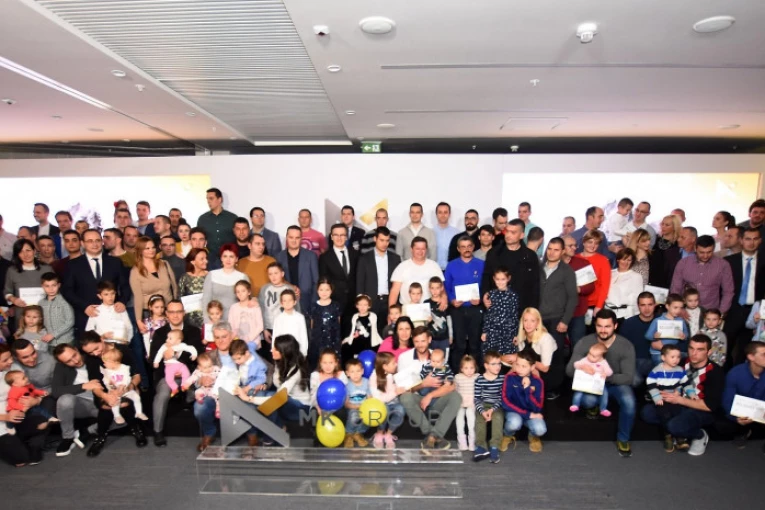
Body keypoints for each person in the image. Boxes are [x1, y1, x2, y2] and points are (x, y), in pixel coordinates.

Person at [565, 309, 636, 457]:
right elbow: (569, 371)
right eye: (599, 326)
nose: (603, 330)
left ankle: (623, 438)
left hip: (614, 382)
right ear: (595, 325)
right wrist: (582, 367)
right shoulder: (585, 342)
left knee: (629, 401)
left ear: (615, 326)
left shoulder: (626, 345)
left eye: (607, 326)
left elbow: (628, 377)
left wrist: (606, 377)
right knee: (588, 401)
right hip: (591, 383)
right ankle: (595, 406)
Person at [640, 334, 724, 456]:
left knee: (675, 426)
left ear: (709, 352)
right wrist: (657, 394)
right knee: (647, 413)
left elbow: (710, 406)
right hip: (676, 403)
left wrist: (679, 400)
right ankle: (678, 431)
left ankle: (699, 435)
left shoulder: (715, 372)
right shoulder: (681, 362)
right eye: (691, 348)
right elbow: (656, 381)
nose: (694, 353)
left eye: (700, 350)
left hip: (699, 409)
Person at [79, 332, 146, 457]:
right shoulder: (91, 359)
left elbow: (136, 375)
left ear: (101, 339)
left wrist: (129, 387)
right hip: (104, 390)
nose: (95, 354)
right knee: (107, 405)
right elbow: (94, 384)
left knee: (124, 403)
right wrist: (105, 396)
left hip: (126, 386)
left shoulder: (122, 350)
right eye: (90, 352)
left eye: (96, 348)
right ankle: (101, 437)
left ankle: (135, 428)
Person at [149, 299, 204, 447]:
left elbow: (198, 354)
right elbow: (153, 359)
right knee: (163, 394)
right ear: (166, 314)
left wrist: (173, 354)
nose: (175, 315)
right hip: (166, 374)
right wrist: (167, 362)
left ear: (184, 313)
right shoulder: (160, 333)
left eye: (178, 311)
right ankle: (158, 431)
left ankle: (208, 433)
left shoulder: (193, 331)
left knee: (201, 388)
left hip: (189, 373)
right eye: (172, 312)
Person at [398, 327, 461, 450]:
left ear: (429, 340)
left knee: (456, 397)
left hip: (436, 398)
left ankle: (434, 435)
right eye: (416, 341)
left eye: (423, 341)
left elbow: (451, 386)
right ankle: (430, 433)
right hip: (417, 400)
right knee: (405, 398)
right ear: (412, 341)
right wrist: (423, 384)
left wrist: (430, 395)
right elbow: (404, 389)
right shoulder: (404, 358)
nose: (420, 345)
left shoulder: (438, 355)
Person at [62, 229, 130, 337]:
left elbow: (125, 286)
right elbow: (67, 290)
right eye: (90, 241)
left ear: (102, 242)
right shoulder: (73, 265)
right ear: (82, 243)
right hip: (86, 316)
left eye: (98, 240)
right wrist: (84, 307)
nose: (95, 244)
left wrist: (122, 302)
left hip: (112, 316)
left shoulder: (115, 262)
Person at [538, 237, 577, 394]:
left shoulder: (567, 271)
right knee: (538, 352)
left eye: (556, 250)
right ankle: (539, 385)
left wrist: (565, 321)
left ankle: (553, 388)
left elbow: (573, 298)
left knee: (555, 353)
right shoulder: (539, 267)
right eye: (549, 248)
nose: (552, 252)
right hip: (538, 319)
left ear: (562, 252)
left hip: (556, 319)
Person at [0, 343, 48, 466]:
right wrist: (6, 417)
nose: (11, 361)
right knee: (21, 460)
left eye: (10, 357)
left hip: (20, 413)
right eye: (5, 360)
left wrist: (35, 401)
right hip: (3, 420)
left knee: (43, 421)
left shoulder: (14, 368)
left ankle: (21, 441)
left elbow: (29, 389)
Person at [642, 344, 697, 452]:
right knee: (664, 415)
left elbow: (686, 384)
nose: (676, 360)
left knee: (678, 414)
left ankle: (679, 436)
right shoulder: (657, 370)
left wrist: (691, 394)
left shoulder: (680, 370)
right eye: (672, 357)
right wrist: (657, 398)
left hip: (675, 398)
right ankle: (668, 435)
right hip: (662, 399)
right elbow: (651, 385)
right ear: (663, 357)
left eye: (678, 357)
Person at [50, 344, 100, 457]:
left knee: (125, 412)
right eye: (69, 361)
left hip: (100, 402)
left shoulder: (92, 358)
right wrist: (83, 386)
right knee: (64, 399)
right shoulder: (61, 367)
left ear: (77, 349)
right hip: (80, 404)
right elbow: (56, 391)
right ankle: (68, 437)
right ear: (63, 363)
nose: (76, 361)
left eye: (74, 355)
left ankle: (87, 431)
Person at [193, 322, 237, 451]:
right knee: (199, 407)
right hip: (213, 394)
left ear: (231, 336)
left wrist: (262, 384)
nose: (221, 340)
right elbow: (194, 378)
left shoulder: (241, 351)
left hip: (237, 393)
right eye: (217, 337)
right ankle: (209, 433)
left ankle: (252, 435)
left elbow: (267, 368)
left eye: (224, 336)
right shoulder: (208, 356)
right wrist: (200, 381)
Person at [482, 219, 540, 313]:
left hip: (522, 309)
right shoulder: (493, 253)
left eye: (513, 232)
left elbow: (535, 286)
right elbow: (486, 277)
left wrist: (533, 311)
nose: (508, 235)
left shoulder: (530, 256)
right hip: (497, 309)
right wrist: (485, 294)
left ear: (521, 235)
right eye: (507, 231)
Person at [724, 227, 764, 365]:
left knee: (748, 351)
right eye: (748, 239)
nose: (751, 243)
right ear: (741, 240)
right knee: (725, 347)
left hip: (755, 312)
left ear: (760, 241)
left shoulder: (764, 261)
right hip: (733, 310)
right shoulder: (729, 261)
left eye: (755, 239)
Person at [444, 235, 484, 369]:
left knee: (475, 343)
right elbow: (447, 287)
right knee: (459, 344)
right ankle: (456, 373)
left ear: (473, 247)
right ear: (458, 249)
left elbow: (486, 286)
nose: (466, 249)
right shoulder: (451, 265)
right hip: (457, 309)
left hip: (475, 309)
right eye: (463, 247)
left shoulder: (481, 264)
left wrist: (480, 299)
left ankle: (476, 372)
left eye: (469, 246)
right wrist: (452, 300)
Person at [671, 235, 734, 315]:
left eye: (709, 252)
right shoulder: (683, 263)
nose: (705, 256)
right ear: (695, 248)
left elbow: (728, 292)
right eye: (701, 252)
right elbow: (676, 289)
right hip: (686, 312)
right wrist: (679, 309)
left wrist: (720, 313)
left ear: (714, 249)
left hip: (710, 312)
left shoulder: (723, 265)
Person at [262, 335, 311, 436]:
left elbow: (280, 397)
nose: (271, 350)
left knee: (268, 400)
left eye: (276, 349)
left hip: (300, 409)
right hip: (286, 400)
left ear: (285, 351)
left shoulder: (295, 370)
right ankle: (275, 428)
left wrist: (250, 399)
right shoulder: (280, 363)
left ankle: (279, 428)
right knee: (264, 395)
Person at [356, 227, 401, 334]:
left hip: (389, 301)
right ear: (375, 239)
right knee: (370, 334)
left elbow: (398, 283)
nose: (385, 243)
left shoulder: (395, 259)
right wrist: (361, 303)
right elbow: (360, 282)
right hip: (370, 302)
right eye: (382, 240)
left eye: (387, 240)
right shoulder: (364, 258)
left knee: (388, 333)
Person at [130, 236, 178, 337]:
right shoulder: (135, 271)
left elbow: (174, 287)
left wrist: (175, 307)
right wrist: (138, 320)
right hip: (149, 313)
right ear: (140, 251)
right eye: (147, 248)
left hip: (168, 310)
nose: (151, 250)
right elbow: (138, 297)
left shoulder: (164, 264)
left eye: (153, 247)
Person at [721, 342, 765, 452]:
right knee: (721, 425)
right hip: (741, 413)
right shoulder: (735, 373)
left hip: (762, 412)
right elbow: (727, 400)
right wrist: (736, 418)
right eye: (764, 354)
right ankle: (744, 432)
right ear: (751, 357)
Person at [500, 350, 546, 453]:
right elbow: (505, 402)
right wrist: (527, 414)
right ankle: (507, 435)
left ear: (532, 367)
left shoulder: (538, 382)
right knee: (514, 423)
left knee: (540, 429)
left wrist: (527, 389)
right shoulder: (509, 378)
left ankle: (533, 436)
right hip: (514, 412)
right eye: (517, 364)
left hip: (531, 413)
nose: (519, 369)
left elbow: (537, 407)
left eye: (524, 366)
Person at [4, 239, 54, 328]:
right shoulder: (12, 271)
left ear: (34, 251)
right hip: (22, 314)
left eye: (28, 250)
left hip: (45, 313)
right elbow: (7, 292)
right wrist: (14, 300)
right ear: (17, 254)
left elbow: (56, 290)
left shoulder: (47, 269)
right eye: (21, 252)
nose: (25, 254)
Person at [319, 223, 359, 328]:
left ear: (346, 237)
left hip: (353, 303)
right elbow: (324, 281)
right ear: (331, 237)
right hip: (334, 303)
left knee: (352, 333)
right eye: (336, 235)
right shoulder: (324, 257)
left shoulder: (355, 254)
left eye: (342, 235)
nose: (339, 238)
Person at [388, 237, 444, 307]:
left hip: (431, 307)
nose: (420, 251)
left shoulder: (434, 265)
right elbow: (394, 291)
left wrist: (444, 298)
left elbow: (442, 287)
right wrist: (391, 310)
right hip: (407, 308)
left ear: (426, 250)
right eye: (417, 249)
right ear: (411, 249)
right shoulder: (402, 267)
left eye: (423, 249)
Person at [276, 225, 319, 314]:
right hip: (285, 304)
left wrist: (314, 304)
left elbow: (316, 282)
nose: (294, 240)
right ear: (287, 237)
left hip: (307, 303)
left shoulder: (311, 256)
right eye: (291, 237)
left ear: (301, 239)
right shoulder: (279, 257)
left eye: (297, 238)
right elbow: (277, 280)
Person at [562, 235, 596, 346]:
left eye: (575, 245)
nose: (574, 248)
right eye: (570, 246)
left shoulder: (583, 263)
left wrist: (579, 289)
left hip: (578, 312)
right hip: (557, 313)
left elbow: (591, 286)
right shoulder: (553, 263)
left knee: (578, 344)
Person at [472, 350, 505, 463]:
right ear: (486, 366)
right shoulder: (479, 380)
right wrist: (482, 411)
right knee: (479, 420)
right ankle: (481, 446)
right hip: (483, 405)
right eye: (494, 364)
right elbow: (477, 398)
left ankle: (494, 446)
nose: (498, 366)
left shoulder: (502, 379)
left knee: (498, 418)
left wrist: (492, 410)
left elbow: (501, 398)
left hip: (496, 405)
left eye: (499, 363)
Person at [368, 352, 407, 449]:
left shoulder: (393, 375)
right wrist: (395, 392)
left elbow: (398, 388)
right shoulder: (374, 377)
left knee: (401, 410)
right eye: (393, 363)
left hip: (394, 402)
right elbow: (379, 399)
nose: (396, 364)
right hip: (380, 404)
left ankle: (388, 434)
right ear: (385, 366)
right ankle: (379, 433)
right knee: (385, 410)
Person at [202, 243, 250, 321]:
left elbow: (247, 302)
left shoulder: (243, 277)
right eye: (225, 256)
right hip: (215, 321)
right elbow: (205, 300)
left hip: (238, 320)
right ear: (221, 258)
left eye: (231, 256)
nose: (228, 260)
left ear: (236, 259)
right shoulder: (212, 275)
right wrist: (207, 321)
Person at [100, 348, 148, 424]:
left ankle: (139, 412)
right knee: (114, 400)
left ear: (113, 362)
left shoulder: (125, 368)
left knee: (136, 397)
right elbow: (105, 380)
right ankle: (117, 416)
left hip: (126, 389)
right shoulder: (106, 371)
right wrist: (110, 385)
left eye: (105, 362)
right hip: (114, 391)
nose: (104, 364)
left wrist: (123, 385)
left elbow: (127, 378)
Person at [620, 292, 658, 387]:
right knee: (635, 380)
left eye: (650, 304)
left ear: (655, 305)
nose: (647, 309)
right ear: (638, 306)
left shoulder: (662, 322)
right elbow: (621, 349)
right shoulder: (628, 323)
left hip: (656, 361)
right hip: (634, 361)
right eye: (643, 305)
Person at [481, 268, 520, 360]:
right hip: (493, 332)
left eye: (503, 279)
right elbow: (488, 315)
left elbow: (515, 316)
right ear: (494, 279)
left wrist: (516, 334)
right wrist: (485, 331)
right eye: (497, 279)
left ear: (508, 279)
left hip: (508, 333)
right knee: (492, 357)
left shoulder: (513, 296)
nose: (500, 282)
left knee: (506, 358)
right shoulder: (491, 294)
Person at [197, 188, 237, 269]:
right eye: (207, 199)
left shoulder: (232, 218)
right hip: (210, 259)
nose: (208, 201)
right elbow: (198, 238)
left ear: (220, 199)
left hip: (229, 259)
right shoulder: (203, 219)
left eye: (211, 198)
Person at [570, 343, 613, 417]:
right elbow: (576, 364)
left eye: (593, 356)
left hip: (597, 383)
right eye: (589, 353)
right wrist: (582, 366)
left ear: (601, 357)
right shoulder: (586, 359)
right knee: (578, 392)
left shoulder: (603, 362)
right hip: (585, 381)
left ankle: (603, 409)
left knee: (605, 393)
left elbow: (610, 372)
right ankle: (575, 404)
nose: (590, 357)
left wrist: (605, 374)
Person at [645, 293, 690, 365]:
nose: (678, 310)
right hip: (658, 352)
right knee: (662, 365)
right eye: (675, 307)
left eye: (680, 308)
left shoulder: (681, 321)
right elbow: (647, 336)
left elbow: (686, 335)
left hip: (672, 352)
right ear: (667, 306)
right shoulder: (657, 320)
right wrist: (654, 336)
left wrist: (684, 336)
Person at [85, 281, 134, 345]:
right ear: (99, 296)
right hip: (104, 345)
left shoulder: (120, 309)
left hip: (121, 344)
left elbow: (129, 327)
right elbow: (89, 330)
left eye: (112, 293)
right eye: (106, 294)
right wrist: (102, 336)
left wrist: (127, 341)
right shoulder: (96, 311)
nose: (110, 297)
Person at [152, 329, 197, 397]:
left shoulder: (181, 345)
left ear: (178, 341)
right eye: (167, 338)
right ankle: (174, 388)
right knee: (168, 378)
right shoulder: (164, 346)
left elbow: (190, 348)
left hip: (180, 365)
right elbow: (159, 354)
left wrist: (194, 354)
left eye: (170, 338)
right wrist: (156, 362)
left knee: (186, 373)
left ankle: (184, 385)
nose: (167, 340)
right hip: (169, 366)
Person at [578, 230, 612, 319]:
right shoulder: (574, 258)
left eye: (596, 243)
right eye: (590, 242)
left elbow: (605, 286)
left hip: (593, 305)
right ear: (584, 242)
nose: (593, 246)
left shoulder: (603, 261)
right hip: (575, 304)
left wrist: (599, 306)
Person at [308, 278, 342, 367]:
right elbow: (312, 325)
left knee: (332, 363)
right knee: (318, 363)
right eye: (321, 289)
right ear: (317, 290)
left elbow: (338, 324)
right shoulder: (313, 306)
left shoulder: (336, 305)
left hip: (333, 341)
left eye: (327, 289)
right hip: (318, 341)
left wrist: (337, 341)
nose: (324, 292)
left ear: (331, 290)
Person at [605, 248, 644, 322]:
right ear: (618, 260)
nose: (626, 262)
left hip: (625, 315)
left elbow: (637, 298)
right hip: (608, 313)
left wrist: (636, 317)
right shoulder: (610, 273)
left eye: (629, 260)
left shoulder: (636, 276)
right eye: (623, 259)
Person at [38, 272, 74, 347]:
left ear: (59, 285)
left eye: (54, 285)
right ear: (42, 286)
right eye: (47, 286)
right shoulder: (41, 303)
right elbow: (41, 322)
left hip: (65, 341)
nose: (51, 289)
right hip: (49, 342)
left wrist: (53, 334)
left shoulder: (65, 301)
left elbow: (70, 322)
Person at [180, 353, 221, 419]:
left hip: (214, 389)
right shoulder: (198, 372)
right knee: (198, 391)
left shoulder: (215, 369)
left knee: (218, 399)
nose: (208, 369)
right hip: (204, 388)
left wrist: (216, 379)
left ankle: (218, 410)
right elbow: (192, 378)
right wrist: (186, 384)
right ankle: (199, 397)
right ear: (199, 367)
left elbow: (222, 375)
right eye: (205, 367)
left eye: (210, 366)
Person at [342, 294, 383, 360]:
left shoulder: (373, 316)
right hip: (357, 343)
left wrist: (381, 341)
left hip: (369, 343)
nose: (362, 307)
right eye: (360, 305)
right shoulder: (355, 317)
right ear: (356, 305)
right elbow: (352, 330)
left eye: (365, 305)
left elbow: (375, 331)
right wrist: (348, 339)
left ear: (369, 306)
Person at [237, 234, 276, 298]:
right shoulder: (240, 263)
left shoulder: (271, 261)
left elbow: (280, 282)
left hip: (269, 299)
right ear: (249, 245)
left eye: (263, 244)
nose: (261, 247)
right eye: (258, 244)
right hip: (247, 301)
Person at [648, 214, 682, 288]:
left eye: (667, 225)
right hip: (650, 278)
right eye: (662, 224)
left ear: (674, 227)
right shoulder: (655, 239)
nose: (663, 227)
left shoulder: (678, 244)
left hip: (667, 281)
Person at [343, 358, 371, 448]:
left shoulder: (366, 382)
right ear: (347, 373)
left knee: (370, 417)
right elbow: (346, 403)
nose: (355, 374)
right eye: (352, 372)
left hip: (364, 408)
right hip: (352, 408)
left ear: (362, 371)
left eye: (358, 371)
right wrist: (356, 406)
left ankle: (358, 433)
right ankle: (349, 434)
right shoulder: (347, 385)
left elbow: (369, 398)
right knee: (354, 416)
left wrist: (367, 407)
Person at [178, 247, 208, 329]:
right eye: (202, 259)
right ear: (193, 261)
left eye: (206, 258)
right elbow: (179, 298)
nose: (206, 261)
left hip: (208, 318)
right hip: (189, 320)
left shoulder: (211, 276)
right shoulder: (184, 278)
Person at [309, 349, 347, 414]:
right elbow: (313, 395)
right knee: (313, 412)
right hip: (319, 406)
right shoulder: (315, 375)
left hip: (338, 406)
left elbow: (345, 394)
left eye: (331, 363)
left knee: (342, 412)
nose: (328, 366)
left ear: (336, 363)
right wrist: (318, 407)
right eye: (325, 363)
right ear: (320, 363)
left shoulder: (341, 375)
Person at [228, 280, 264, 348]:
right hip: (238, 343)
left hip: (253, 342)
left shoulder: (255, 307)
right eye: (238, 292)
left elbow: (260, 326)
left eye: (243, 291)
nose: (240, 294)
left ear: (249, 292)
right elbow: (231, 325)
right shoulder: (233, 307)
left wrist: (249, 338)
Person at [273, 290, 308, 356]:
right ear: (281, 303)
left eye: (290, 300)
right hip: (283, 350)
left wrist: (304, 353)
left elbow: (303, 336)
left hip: (297, 351)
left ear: (294, 302)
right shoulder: (278, 318)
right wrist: (274, 350)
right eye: (284, 301)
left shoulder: (300, 317)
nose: (287, 303)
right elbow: (275, 335)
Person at [454, 354, 477, 451]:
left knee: (470, 416)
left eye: (472, 368)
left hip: (472, 402)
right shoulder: (458, 377)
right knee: (459, 418)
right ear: (461, 369)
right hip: (461, 402)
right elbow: (455, 390)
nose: (469, 371)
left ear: (475, 368)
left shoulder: (477, 377)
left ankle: (472, 441)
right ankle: (462, 441)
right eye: (466, 368)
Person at [433, 202, 460, 270]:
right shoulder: (430, 232)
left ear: (449, 214)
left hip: (452, 269)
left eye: (445, 212)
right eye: (440, 212)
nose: (443, 215)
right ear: (436, 214)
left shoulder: (457, 233)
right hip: (434, 269)